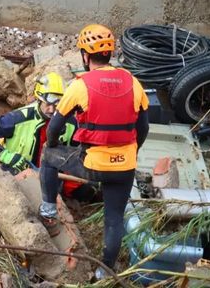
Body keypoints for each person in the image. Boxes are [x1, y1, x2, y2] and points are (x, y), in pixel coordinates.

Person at [38, 24, 149, 277]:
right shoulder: (133, 82)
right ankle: (105, 272)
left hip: (93, 164)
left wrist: (53, 145)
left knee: (49, 156)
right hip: (124, 166)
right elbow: (143, 127)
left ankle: (48, 212)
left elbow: (55, 126)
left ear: (85, 56)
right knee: (113, 219)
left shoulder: (80, 85)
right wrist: (133, 152)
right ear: (110, 53)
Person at [0, 72, 77, 175]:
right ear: (39, 99)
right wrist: (5, 155)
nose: (51, 110)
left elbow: (76, 155)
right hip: (17, 176)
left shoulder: (71, 123)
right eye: (48, 104)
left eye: (56, 105)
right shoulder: (18, 118)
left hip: (52, 178)